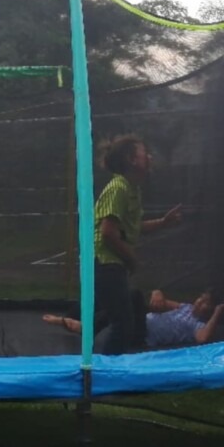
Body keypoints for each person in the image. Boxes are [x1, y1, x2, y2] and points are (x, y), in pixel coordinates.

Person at [92, 135, 182, 353]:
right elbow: (108, 233)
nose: (149, 157)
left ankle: (110, 356)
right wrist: (131, 258)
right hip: (105, 262)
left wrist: (163, 222)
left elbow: (133, 226)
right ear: (131, 160)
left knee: (126, 316)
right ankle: (103, 365)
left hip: (113, 264)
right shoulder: (118, 188)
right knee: (122, 324)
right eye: (144, 154)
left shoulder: (132, 189)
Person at [44, 290, 224, 348]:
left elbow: (202, 338)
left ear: (211, 310)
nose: (199, 302)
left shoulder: (198, 325)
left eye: (206, 302)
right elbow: (161, 301)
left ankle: (88, 328)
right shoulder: (185, 307)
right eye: (201, 297)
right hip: (139, 322)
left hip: (142, 336)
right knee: (111, 294)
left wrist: (218, 312)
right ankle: (74, 317)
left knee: (134, 296)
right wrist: (157, 293)